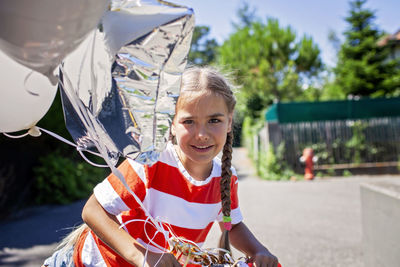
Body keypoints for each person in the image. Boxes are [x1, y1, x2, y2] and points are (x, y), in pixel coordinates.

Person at [43, 66, 279, 267]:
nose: (202, 134)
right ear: (172, 124)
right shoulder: (150, 162)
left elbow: (232, 224)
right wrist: (144, 256)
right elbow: (92, 211)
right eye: (189, 121)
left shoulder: (226, 177)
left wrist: (259, 250)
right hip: (89, 261)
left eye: (214, 120)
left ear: (229, 120)